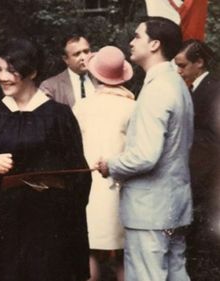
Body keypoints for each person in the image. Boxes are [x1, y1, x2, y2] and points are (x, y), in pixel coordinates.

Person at [0, 38, 91, 281]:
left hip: (48, 226)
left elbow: (79, 177)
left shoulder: (58, 116)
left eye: (11, 70)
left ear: (33, 72)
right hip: (3, 225)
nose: (2, 77)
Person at [96, 17, 193, 281]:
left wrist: (111, 165)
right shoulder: (176, 85)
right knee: (175, 275)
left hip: (150, 212)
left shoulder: (157, 89)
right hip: (174, 207)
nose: (131, 41)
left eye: (137, 36)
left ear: (154, 44)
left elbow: (145, 156)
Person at [72, 46, 135, 281]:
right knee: (123, 254)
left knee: (90, 252)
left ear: (95, 75)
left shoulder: (82, 107)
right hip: (122, 187)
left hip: (90, 189)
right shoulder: (133, 106)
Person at [174, 39, 220, 277]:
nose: (178, 71)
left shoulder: (214, 90)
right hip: (196, 183)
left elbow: (213, 141)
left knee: (206, 254)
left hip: (206, 186)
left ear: (199, 62)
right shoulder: (190, 89)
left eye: (182, 65)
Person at [39, 34, 96, 107]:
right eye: (77, 54)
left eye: (86, 51)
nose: (83, 57)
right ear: (66, 59)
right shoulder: (50, 87)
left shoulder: (102, 80)